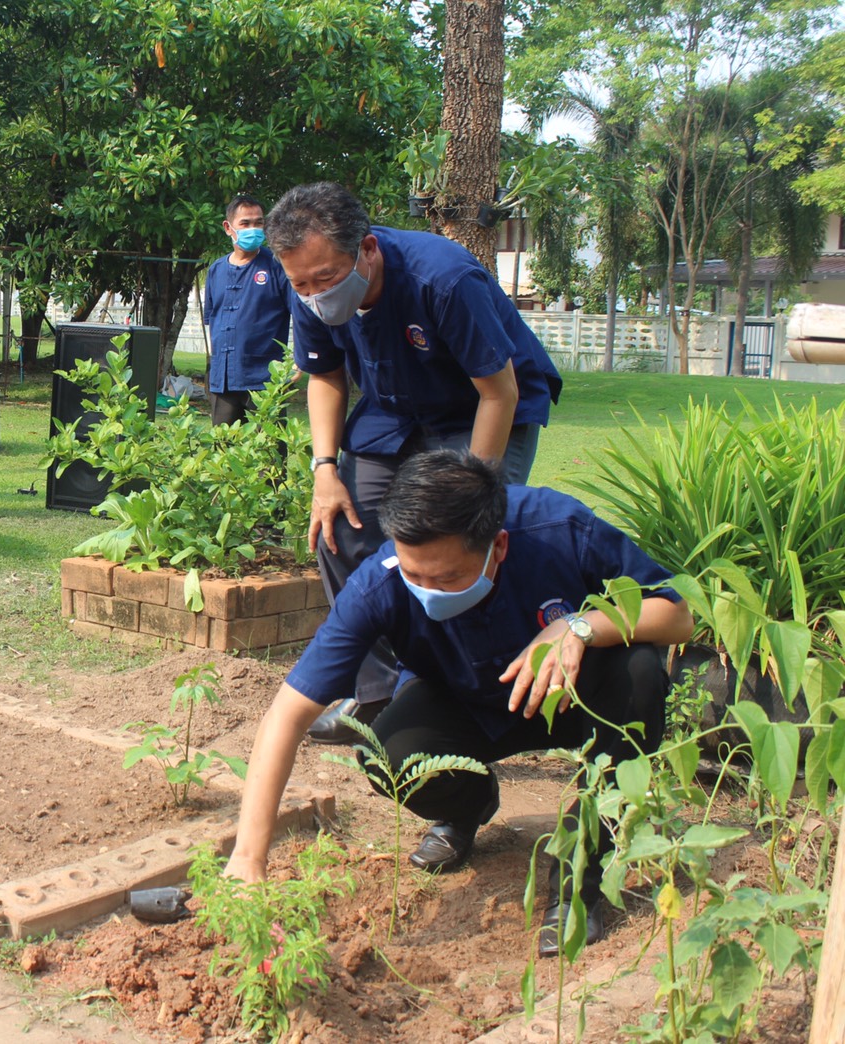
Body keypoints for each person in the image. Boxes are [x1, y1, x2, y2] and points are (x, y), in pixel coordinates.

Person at [224, 451, 693, 956]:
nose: (427, 589)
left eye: (446, 578)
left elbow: (676, 613)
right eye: (413, 575)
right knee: (388, 757)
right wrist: (248, 860)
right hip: (468, 701)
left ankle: (579, 879)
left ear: (498, 547)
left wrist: (578, 626)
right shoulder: (378, 584)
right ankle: (469, 806)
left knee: (641, 671)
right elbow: (286, 716)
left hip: (575, 697)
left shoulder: (557, 528)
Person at [266, 182, 565, 743]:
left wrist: (470, 491)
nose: (315, 294)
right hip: (395, 407)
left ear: (368, 249)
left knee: (457, 541)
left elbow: (497, 393)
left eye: (327, 279)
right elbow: (326, 375)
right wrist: (324, 469)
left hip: (484, 407)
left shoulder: (444, 279)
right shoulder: (305, 287)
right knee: (339, 524)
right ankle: (379, 695)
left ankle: (467, 695)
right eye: (301, 283)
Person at [203, 195, 292, 425]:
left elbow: (301, 314)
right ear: (228, 227)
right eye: (245, 223)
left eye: (259, 223)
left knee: (268, 454)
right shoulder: (216, 270)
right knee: (223, 453)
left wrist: (300, 358)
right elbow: (213, 319)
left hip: (265, 379)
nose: (253, 229)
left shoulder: (278, 265)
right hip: (224, 380)